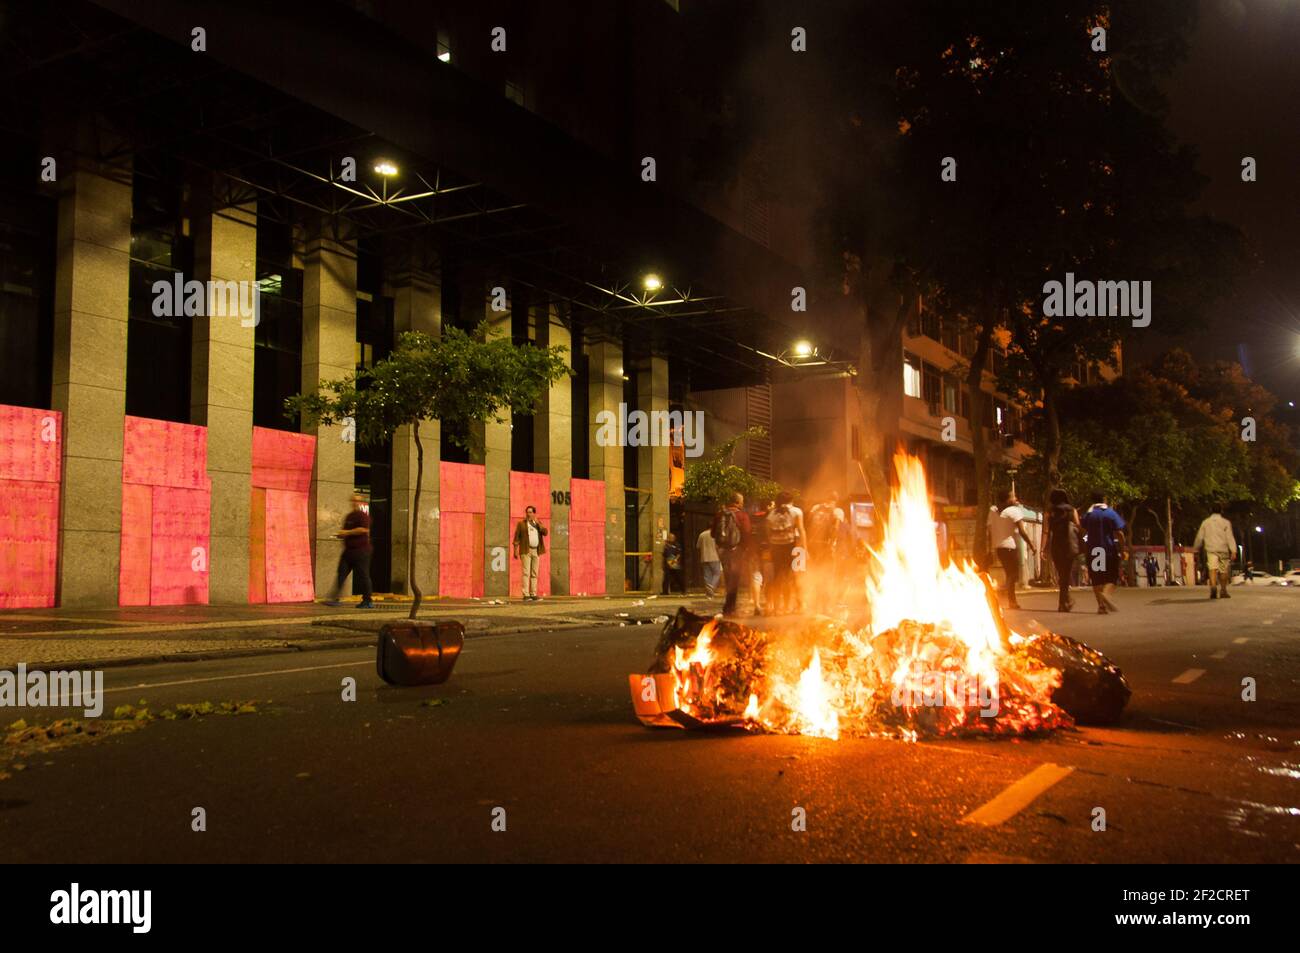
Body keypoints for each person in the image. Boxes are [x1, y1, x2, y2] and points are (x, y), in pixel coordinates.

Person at [987, 490, 1038, 610]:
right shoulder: (1014, 511)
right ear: (1008, 499)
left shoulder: (992, 510)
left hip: (999, 548)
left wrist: (990, 548)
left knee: (1009, 574)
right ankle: (1011, 600)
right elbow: (1022, 531)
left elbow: (989, 531)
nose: (1015, 498)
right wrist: (1031, 545)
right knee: (1012, 574)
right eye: (1013, 496)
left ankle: (1008, 598)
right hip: (1010, 547)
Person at [1081, 494, 1127, 614]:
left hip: (1094, 551)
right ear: (1104, 499)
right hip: (1108, 550)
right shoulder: (1110, 513)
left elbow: (1082, 529)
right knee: (1112, 577)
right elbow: (1120, 533)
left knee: (1097, 579)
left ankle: (1101, 606)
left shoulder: (1088, 515)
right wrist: (1123, 550)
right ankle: (1106, 594)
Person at [327, 493, 374, 609]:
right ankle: (335, 598)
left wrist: (347, 533)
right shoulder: (349, 517)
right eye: (353, 501)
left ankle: (367, 600)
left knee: (363, 575)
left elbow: (363, 530)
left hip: (361, 551)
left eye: (357, 501)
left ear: (361, 503)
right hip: (349, 551)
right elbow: (345, 531)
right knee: (341, 573)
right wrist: (340, 535)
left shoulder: (363, 516)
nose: (354, 503)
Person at [711, 492, 752, 617]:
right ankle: (730, 608)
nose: (743, 503)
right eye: (742, 501)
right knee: (734, 579)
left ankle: (728, 607)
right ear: (738, 502)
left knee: (729, 578)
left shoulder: (720, 514)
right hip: (736, 550)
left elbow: (713, 533)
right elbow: (746, 532)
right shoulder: (742, 515)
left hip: (723, 551)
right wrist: (744, 549)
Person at [764, 491, 805, 615]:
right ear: (791, 500)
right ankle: (788, 606)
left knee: (777, 578)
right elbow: (801, 530)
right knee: (791, 577)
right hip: (791, 547)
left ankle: (777, 608)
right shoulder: (796, 512)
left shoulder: (770, 515)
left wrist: (771, 549)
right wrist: (803, 548)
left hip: (776, 548)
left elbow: (768, 534)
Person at [1041, 488, 1081, 612]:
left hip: (1056, 546)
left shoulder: (1049, 512)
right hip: (1069, 545)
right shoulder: (1072, 510)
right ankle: (1064, 602)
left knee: (1061, 574)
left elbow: (1046, 532)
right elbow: (1078, 527)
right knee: (1066, 574)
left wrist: (1042, 549)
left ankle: (1064, 602)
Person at [1193, 503, 1236, 600]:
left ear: (1210, 510)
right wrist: (1233, 550)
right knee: (1223, 570)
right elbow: (1230, 537)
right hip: (1223, 549)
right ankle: (1223, 590)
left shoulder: (1205, 522)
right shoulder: (1226, 522)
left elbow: (1200, 536)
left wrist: (1196, 547)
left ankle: (1213, 587)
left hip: (1211, 549)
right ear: (1221, 511)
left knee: (1212, 569)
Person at [512, 505, 548, 601]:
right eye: (527, 512)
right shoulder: (521, 524)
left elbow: (545, 532)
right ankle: (526, 594)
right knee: (526, 573)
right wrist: (515, 550)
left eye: (531, 512)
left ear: (534, 513)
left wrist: (538, 523)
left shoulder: (537, 523)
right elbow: (516, 537)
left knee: (534, 573)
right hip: (525, 550)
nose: (529, 514)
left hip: (536, 550)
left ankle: (533, 593)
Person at [696, 526, 722, 597]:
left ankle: (709, 594)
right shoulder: (715, 535)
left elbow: (698, 546)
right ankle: (712, 587)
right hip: (714, 557)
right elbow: (719, 546)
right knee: (717, 573)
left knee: (707, 576)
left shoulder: (702, 535)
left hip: (704, 557)